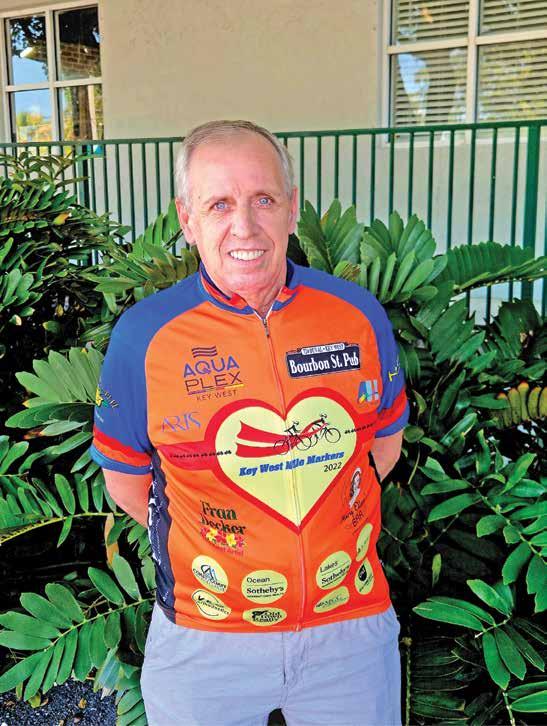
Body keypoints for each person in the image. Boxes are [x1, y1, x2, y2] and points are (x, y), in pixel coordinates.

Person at [90, 120, 409, 726]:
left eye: (263, 199)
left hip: (350, 630)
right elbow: (128, 486)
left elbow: (382, 449)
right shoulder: (144, 337)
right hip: (205, 639)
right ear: (187, 219)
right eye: (219, 204)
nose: (244, 225)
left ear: (292, 208)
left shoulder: (357, 315)